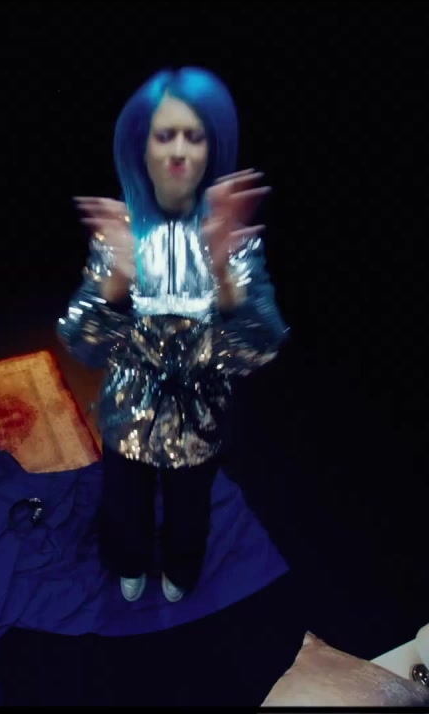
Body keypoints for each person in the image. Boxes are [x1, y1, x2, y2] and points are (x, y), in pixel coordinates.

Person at [57, 67, 288, 604]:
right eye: (165, 135)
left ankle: (182, 568)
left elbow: (260, 348)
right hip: (126, 413)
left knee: (190, 508)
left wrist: (224, 273)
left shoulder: (231, 239)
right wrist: (117, 281)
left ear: (212, 147)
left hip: (200, 417)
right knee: (124, 503)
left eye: (194, 136)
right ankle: (128, 559)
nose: (179, 151)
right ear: (142, 147)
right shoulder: (120, 235)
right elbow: (83, 344)